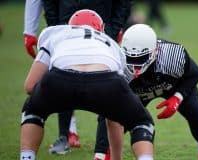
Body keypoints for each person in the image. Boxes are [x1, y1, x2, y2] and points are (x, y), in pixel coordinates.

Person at [20, 9, 155, 160]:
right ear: (101, 29)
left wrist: (46, 98)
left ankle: (27, 156)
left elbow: (30, 86)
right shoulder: (112, 45)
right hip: (105, 81)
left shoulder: (56, 34)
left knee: (32, 110)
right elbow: (117, 108)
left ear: (70, 26)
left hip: (61, 79)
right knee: (141, 121)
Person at [94, 24, 198, 160]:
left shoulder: (172, 56)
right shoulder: (117, 63)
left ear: (154, 51)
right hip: (137, 92)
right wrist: (100, 153)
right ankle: (105, 155)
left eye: (140, 59)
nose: (135, 68)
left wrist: (177, 97)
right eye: (131, 59)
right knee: (114, 115)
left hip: (171, 85)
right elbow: (107, 112)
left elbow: (194, 73)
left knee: (195, 111)